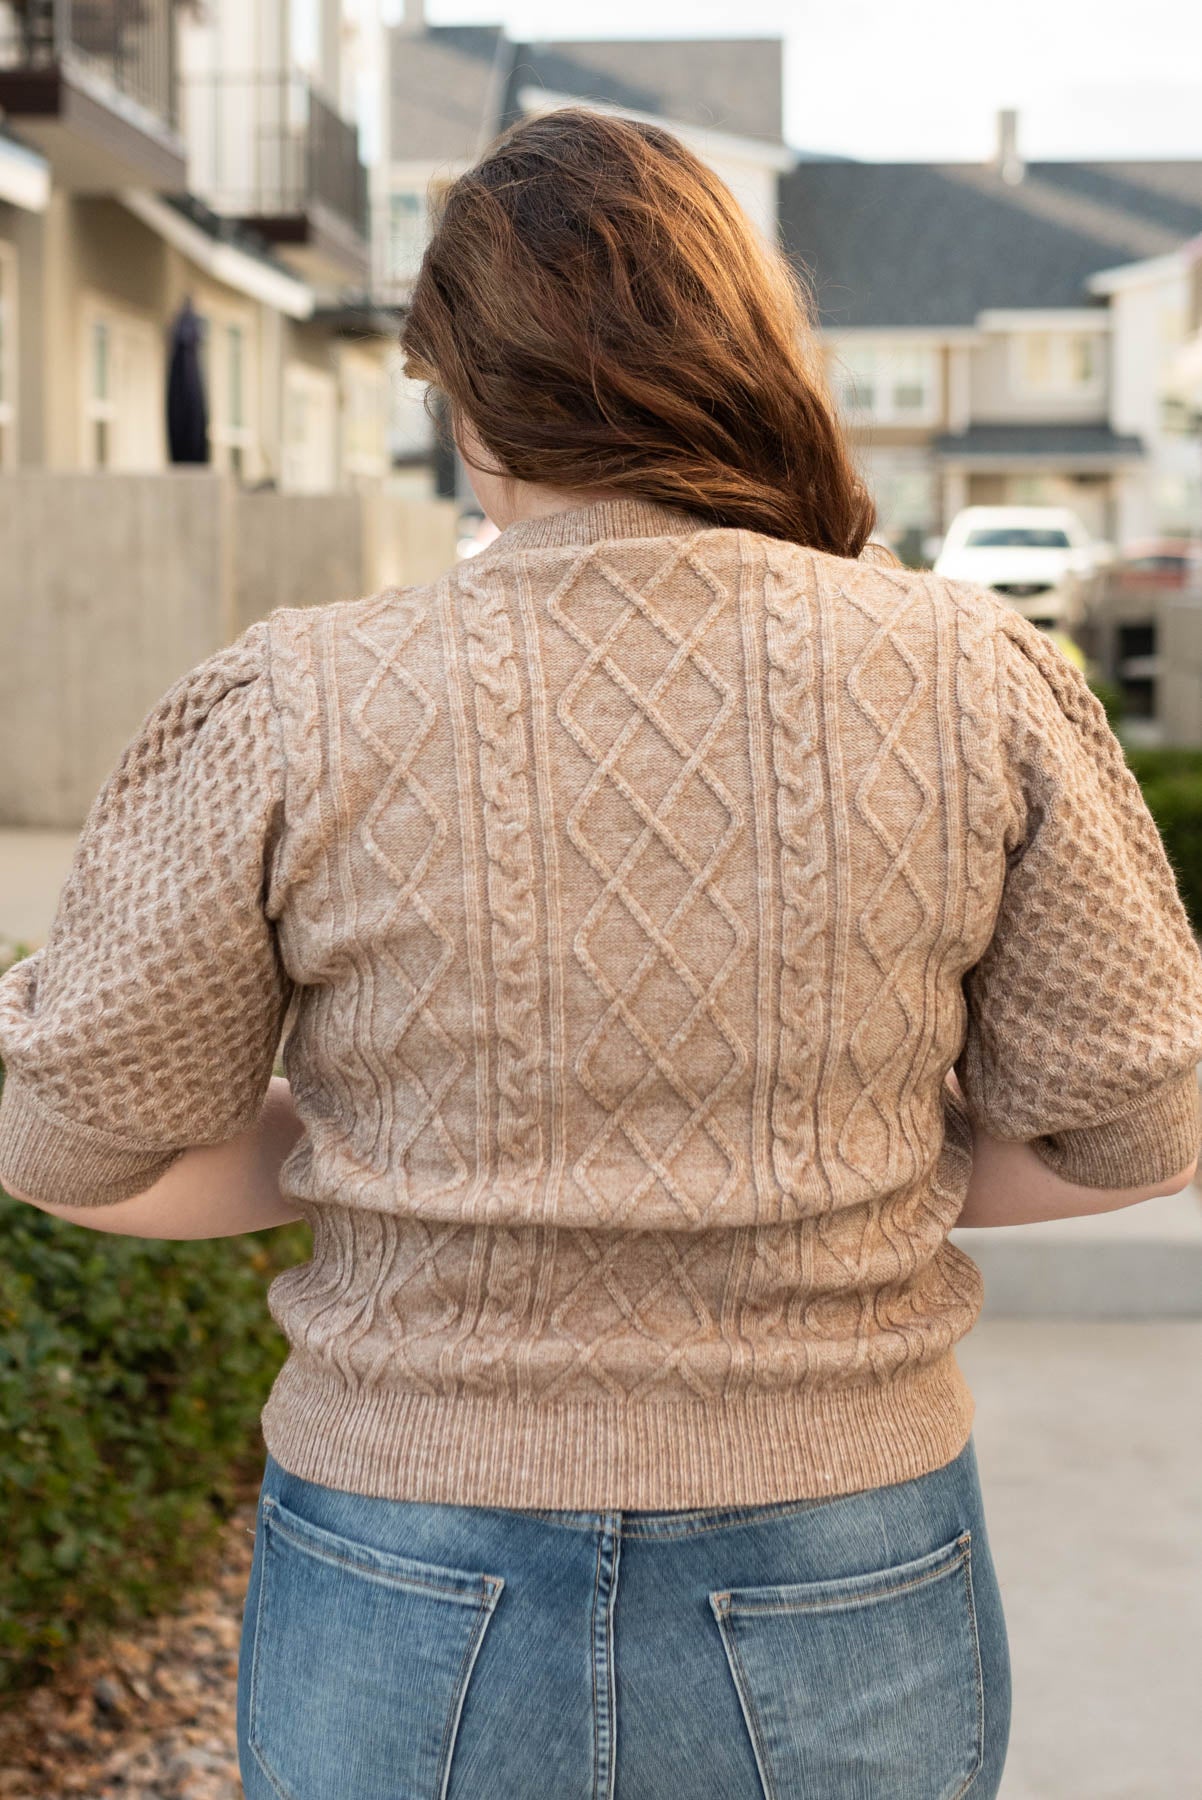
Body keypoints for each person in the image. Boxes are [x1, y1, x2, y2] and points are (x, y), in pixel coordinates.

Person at [2, 107, 1200, 1800]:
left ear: (463, 390)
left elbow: (72, 1145)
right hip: (838, 1554)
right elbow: (1135, 1126)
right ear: (746, 351)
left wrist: (381, 1162)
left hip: (408, 1555)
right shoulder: (967, 670)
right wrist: (830, 1163)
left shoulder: (299, 699)